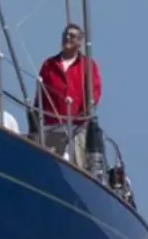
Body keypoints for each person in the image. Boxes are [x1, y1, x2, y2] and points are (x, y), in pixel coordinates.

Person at [33, 23, 100, 168]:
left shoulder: (87, 65)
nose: (67, 38)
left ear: (80, 42)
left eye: (72, 36)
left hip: (76, 124)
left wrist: (90, 105)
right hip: (51, 123)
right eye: (65, 35)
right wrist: (36, 117)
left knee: (76, 164)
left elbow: (94, 89)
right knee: (46, 164)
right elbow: (40, 93)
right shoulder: (49, 64)